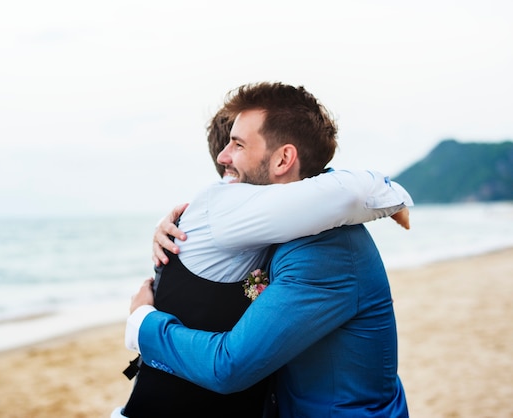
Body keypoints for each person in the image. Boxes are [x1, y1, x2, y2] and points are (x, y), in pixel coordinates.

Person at [117, 82, 412, 417]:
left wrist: (143, 323)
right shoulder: (283, 226)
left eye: (238, 144)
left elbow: (229, 367)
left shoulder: (325, 253)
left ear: (284, 158)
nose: (222, 156)